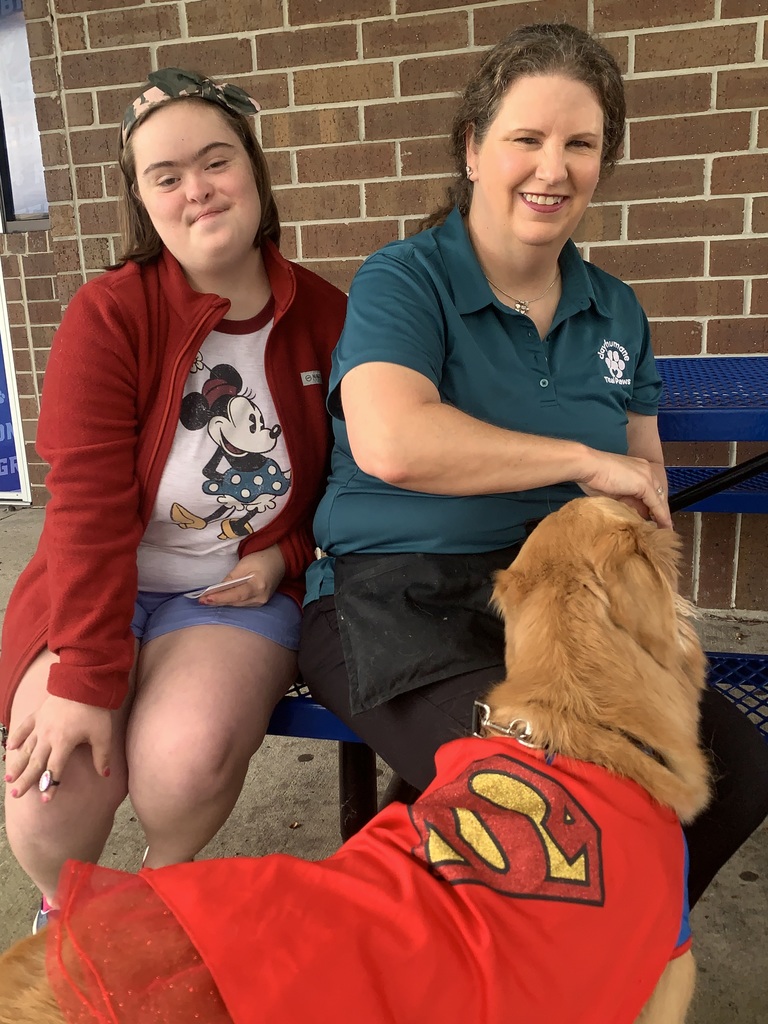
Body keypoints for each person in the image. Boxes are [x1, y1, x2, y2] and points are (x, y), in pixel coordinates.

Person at [298, 23, 768, 906]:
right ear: (474, 150)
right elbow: (393, 440)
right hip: (399, 599)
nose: (553, 169)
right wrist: (581, 462)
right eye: (527, 139)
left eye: (580, 144)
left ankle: (613, 967)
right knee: (558, 806)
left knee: (734, 770)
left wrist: (641, 581)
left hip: (561, 603)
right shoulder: (405, 279)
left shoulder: (617, 310)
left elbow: (643, 481)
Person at [0, 67, 347, 930]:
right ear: (143, 201)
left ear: (256, 176)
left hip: (229, 590)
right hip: (99, 590)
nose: (197, 189)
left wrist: (288, 556)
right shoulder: (110, 313)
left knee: (182, 760)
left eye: (216, 161)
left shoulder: (332, 316)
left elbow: (359, 481)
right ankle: (64, 915)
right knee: (49, 794)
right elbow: (82, 506)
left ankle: (154, 900)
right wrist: (82, 671)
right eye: (167, 175)